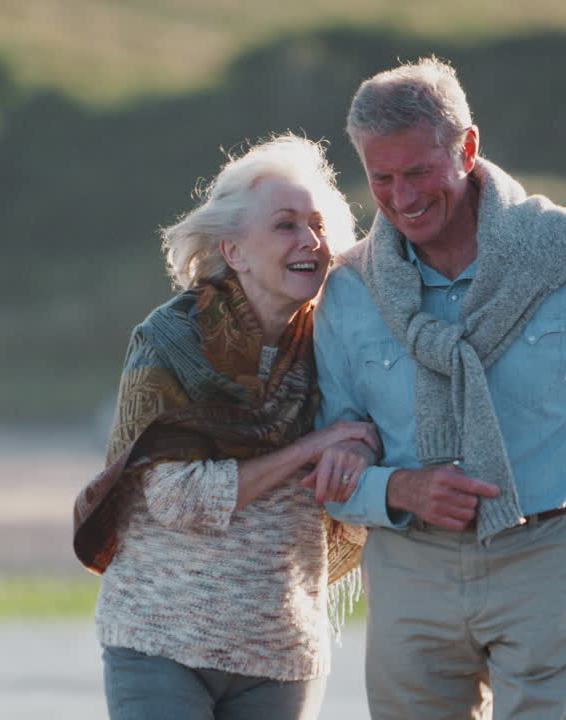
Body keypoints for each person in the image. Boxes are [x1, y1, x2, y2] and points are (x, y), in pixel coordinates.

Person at [314, 57, 566, 718]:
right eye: (381, 178)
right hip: (406, 572)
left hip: (547, 558)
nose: (402, 197)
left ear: (468, 148)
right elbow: (332, 443)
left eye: (419, 171)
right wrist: (396, 488)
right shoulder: (350, 287)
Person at [73, 134, 378, 719]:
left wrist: (357, 453)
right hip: (160, 640)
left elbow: (369, 438)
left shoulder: (343, 343)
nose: (309, 241)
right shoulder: (171, 341)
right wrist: (310, 448)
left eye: (317, 225)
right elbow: (178, 497)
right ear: (233, 250)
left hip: (281, 651)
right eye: (286, 225)